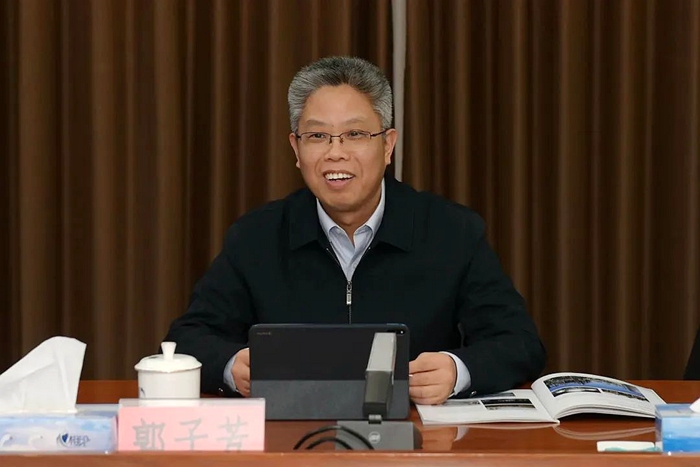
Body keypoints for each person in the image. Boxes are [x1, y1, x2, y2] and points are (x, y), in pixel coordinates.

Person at [165, 56, 546, 405]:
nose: (336, 153)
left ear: (388, 146)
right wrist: (232, 366)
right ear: (296, 149)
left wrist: (457, 371)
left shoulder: (452, 231)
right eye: (317, 136)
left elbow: (520, 343)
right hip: (290, 437)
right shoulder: (256, 237)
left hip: (415, 438)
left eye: (355, 134)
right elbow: (187, 339)